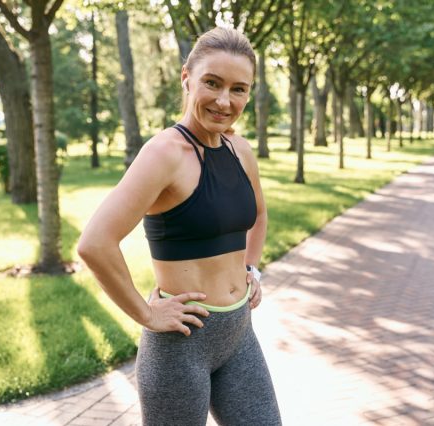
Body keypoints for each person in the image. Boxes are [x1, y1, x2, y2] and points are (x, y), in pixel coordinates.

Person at [77, 27, 282, 426]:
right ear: (186, 78)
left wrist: (251, 269)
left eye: (238, 89)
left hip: (240, 334)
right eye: (212, 83)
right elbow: (95, 243)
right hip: (181, 345)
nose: (225, 100)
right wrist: (147, 315)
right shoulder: (164, 153)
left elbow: (257, 214)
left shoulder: (239, 149)